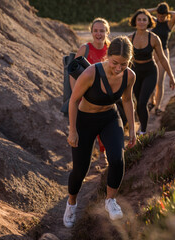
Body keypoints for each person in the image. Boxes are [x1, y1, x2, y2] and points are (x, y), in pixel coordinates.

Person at [63, 36, 136, 228]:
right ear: (107, 55)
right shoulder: (90, 73)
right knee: (80, 170)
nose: (119, 68)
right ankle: (71, 203)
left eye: (124, 64)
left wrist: (133, 131)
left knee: (117, 159)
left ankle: (110, 201)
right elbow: (73, 101)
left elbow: (127, 101)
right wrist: (72, 131)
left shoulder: (130, 76)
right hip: (85, 121)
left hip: (110, 119)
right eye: (115, 63)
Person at [128, 8, 175, 135]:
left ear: (148, 22)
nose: (142, 22)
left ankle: (142, 132)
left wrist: (171, 76)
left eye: (144, 20)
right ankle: (138, 128)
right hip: (135, 73)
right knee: (138, 103)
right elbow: (122, 60)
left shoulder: (154, 38)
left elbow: (163, 58)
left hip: (150, 72)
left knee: (143, 102)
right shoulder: (129, 38)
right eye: (139, 19)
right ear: (135, 21)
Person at [70, 18, 111, 164]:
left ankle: (102, 154)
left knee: (103, 125)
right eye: (95, 31)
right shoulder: (84, 49)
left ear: (107, 32)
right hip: (85, 93)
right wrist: (75, 91)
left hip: (105, 94)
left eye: (102, 31)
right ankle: (83, 158)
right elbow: (72, 72)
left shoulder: (111, 49)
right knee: (86, 127)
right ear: (91, 32)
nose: (98, 34)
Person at [147, 2, 175, 115]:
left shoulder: (169, 24)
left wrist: (167, 12)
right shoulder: (153, 22)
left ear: (166, 15)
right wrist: (156, 9)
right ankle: (152, 101)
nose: (160, 18)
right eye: (159, 16)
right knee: (151, 80)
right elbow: (144, 12)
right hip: (152, 53)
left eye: (163, 16)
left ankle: (158, 107)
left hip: (164, 54)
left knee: (159, 81)